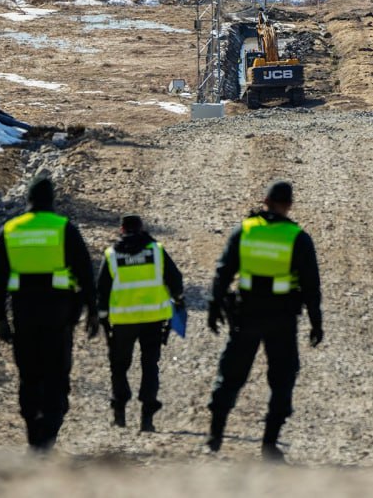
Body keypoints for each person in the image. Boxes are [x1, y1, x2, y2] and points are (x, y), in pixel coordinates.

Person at [204, 180, 323, 461]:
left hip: (246, 315)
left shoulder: (245, 231)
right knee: (282, 379)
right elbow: (311, 286)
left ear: (265, 200)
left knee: (230, 375)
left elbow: (223, 272)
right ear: (289, 205)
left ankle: (214, 437)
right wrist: (316, 321)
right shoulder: (297, 237)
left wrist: (213, 305)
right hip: (282, 318)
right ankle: (269, 444)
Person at [0, 174, 100, 452]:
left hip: (24, 314)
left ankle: (33, 433)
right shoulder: (64, 228)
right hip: (58, 315)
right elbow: (86, 273)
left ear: (28, 200)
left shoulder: (12, 229)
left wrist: (1, 317)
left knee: (29, 375)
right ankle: (49, 434)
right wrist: (93, 311)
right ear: (52, 200)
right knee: (56, 374)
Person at [96, 214, 185, 432]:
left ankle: (119, 413)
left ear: (121, 229)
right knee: (150, 365)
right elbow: (176, 280)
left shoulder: (112, 255)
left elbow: (102, 290)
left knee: (119, 366)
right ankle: (147, 417)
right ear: (142, 228)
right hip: (153, 319)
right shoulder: (156, 250)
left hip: (123, 321)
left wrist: (102, 317)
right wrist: (178, 300)